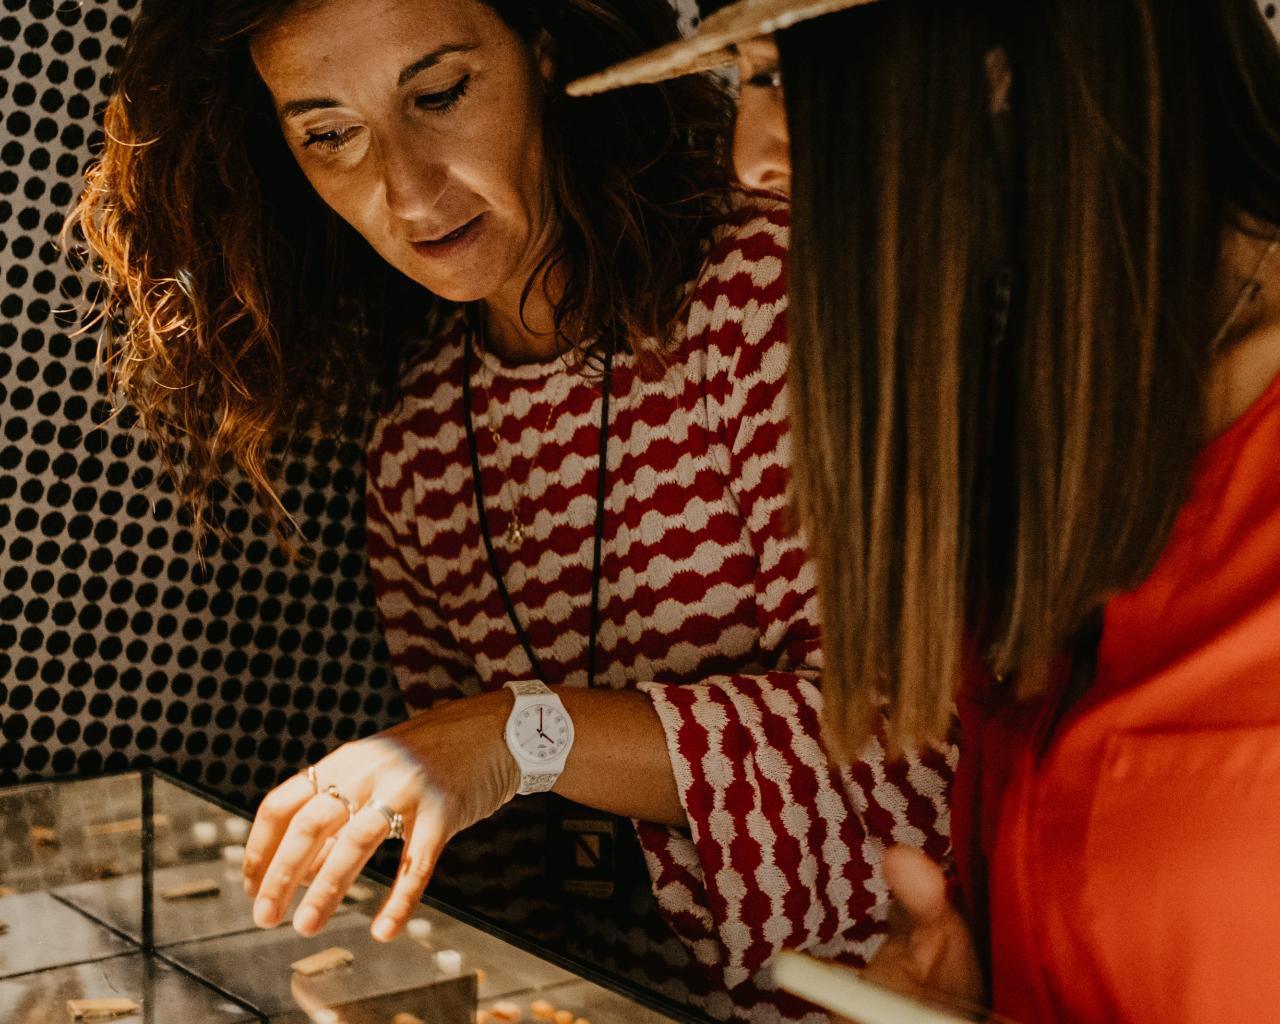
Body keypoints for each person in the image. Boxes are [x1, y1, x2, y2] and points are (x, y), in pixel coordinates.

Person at [69, 1, 954, 1019]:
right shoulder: (415, 450)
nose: (405, 187)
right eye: (328, 136)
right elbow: (489, 880)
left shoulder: (770, 293)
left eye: (439, 94)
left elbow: (913, 758)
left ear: (543, 53)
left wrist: (525, 732)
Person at [571, 0, 1280, 1020]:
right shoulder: (1033, 443)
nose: (753, 159)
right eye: (747, 82)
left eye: (782, 79)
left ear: (1006, 62)